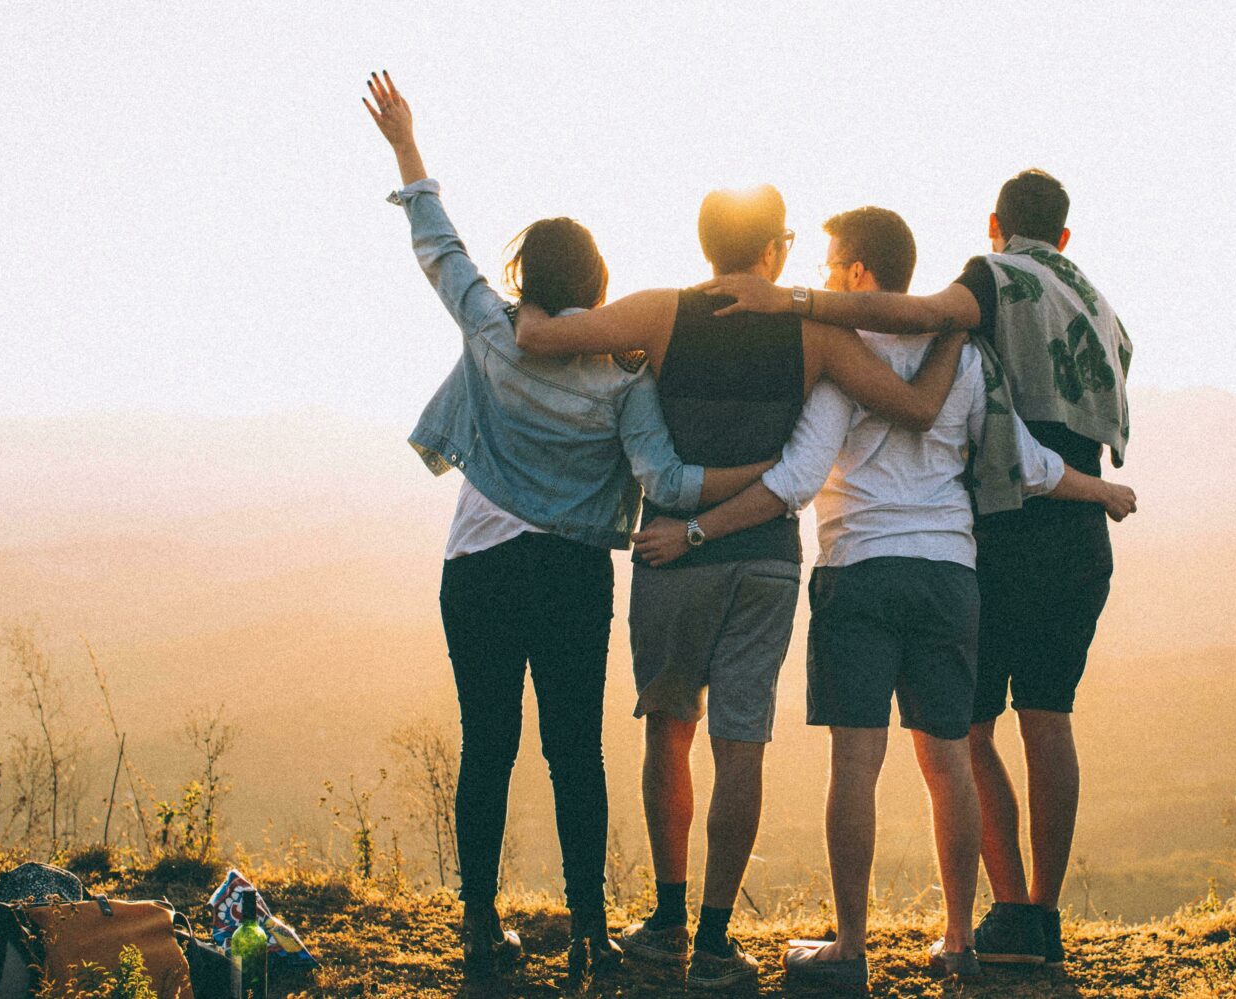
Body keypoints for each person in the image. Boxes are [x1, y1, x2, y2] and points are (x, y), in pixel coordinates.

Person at [635, 207, 1135, 990]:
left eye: (835, 265)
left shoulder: (843, 359)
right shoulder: (963, 357)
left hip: (860, 571)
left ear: (861, 273)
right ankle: (961, 940)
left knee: (856, 764)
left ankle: (852, 947)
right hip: (950, 575)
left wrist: (695, 531)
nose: (828, 278)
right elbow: (1027, 461)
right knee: (948, 761)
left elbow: (796, 481)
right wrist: (1099, 489)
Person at [363, 72, 776, 995]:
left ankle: (479, 927)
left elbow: (438, 246)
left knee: (487, 744)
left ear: (524, 279)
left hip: (476, 566)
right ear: (596, 285)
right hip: (573, 576)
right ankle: (589, 931)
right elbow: (664, 482)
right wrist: (771, 474)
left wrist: (405, 146)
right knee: (574, 750)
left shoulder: (492, 331)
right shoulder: (622, 376)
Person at [514, 187, 966, 990]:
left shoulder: (659, 313)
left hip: (670, 556)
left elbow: (549, 336)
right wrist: (957, 328)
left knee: (668, 727)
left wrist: (528, 306)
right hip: (765, 559)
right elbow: (915, 407)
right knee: (740, 742)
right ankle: (717, 940)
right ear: (773, 254)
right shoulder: (813, 333)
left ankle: (666, 919)